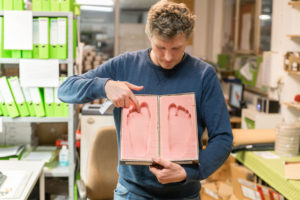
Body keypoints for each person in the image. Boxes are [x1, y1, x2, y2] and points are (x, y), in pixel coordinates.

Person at [58, 0, 233, 199]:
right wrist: (105, 86)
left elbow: (223, 137)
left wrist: (188, 172)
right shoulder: (124, 65)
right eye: (160, 47)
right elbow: (65, 90)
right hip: (132, 192)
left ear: (188, 39)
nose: (168, 57)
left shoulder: (203, 75)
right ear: (149, 36)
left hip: (184, 194)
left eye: (176, 48)